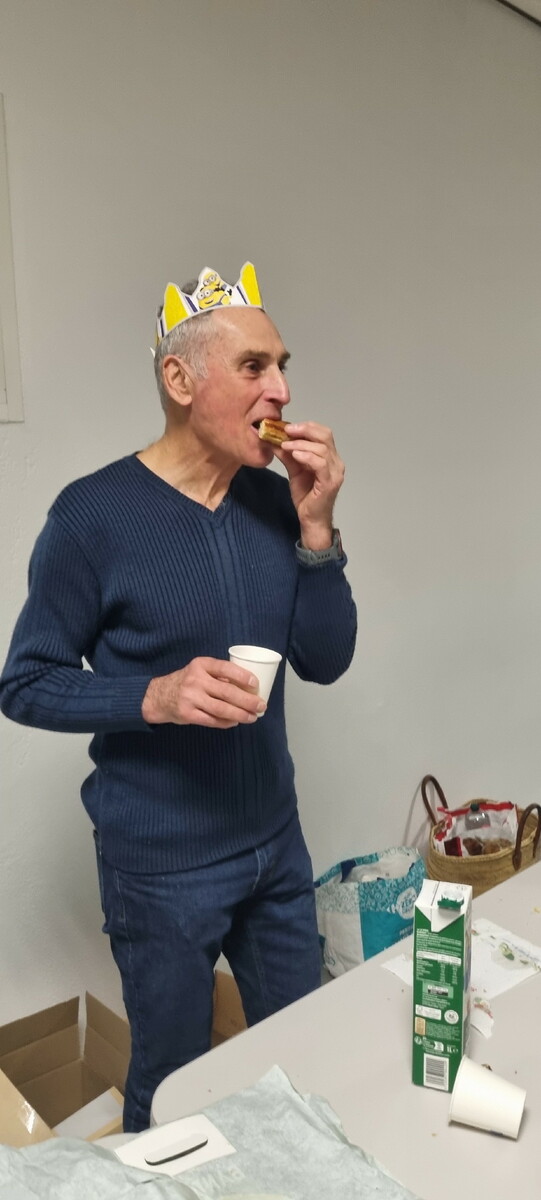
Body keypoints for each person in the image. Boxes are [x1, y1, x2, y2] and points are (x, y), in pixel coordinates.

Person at [0, 261, 357, 1131]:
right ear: (179, 379)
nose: (280, 390)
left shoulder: (276, 501)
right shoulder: (90, 517)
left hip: (274, 844)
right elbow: (26, 682)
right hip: (159, 868)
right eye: (253, 367)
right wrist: (152, 696)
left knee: (304, 1058)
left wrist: (317, 529)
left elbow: (324, 661)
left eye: (281, 366)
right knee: (172, 1087)